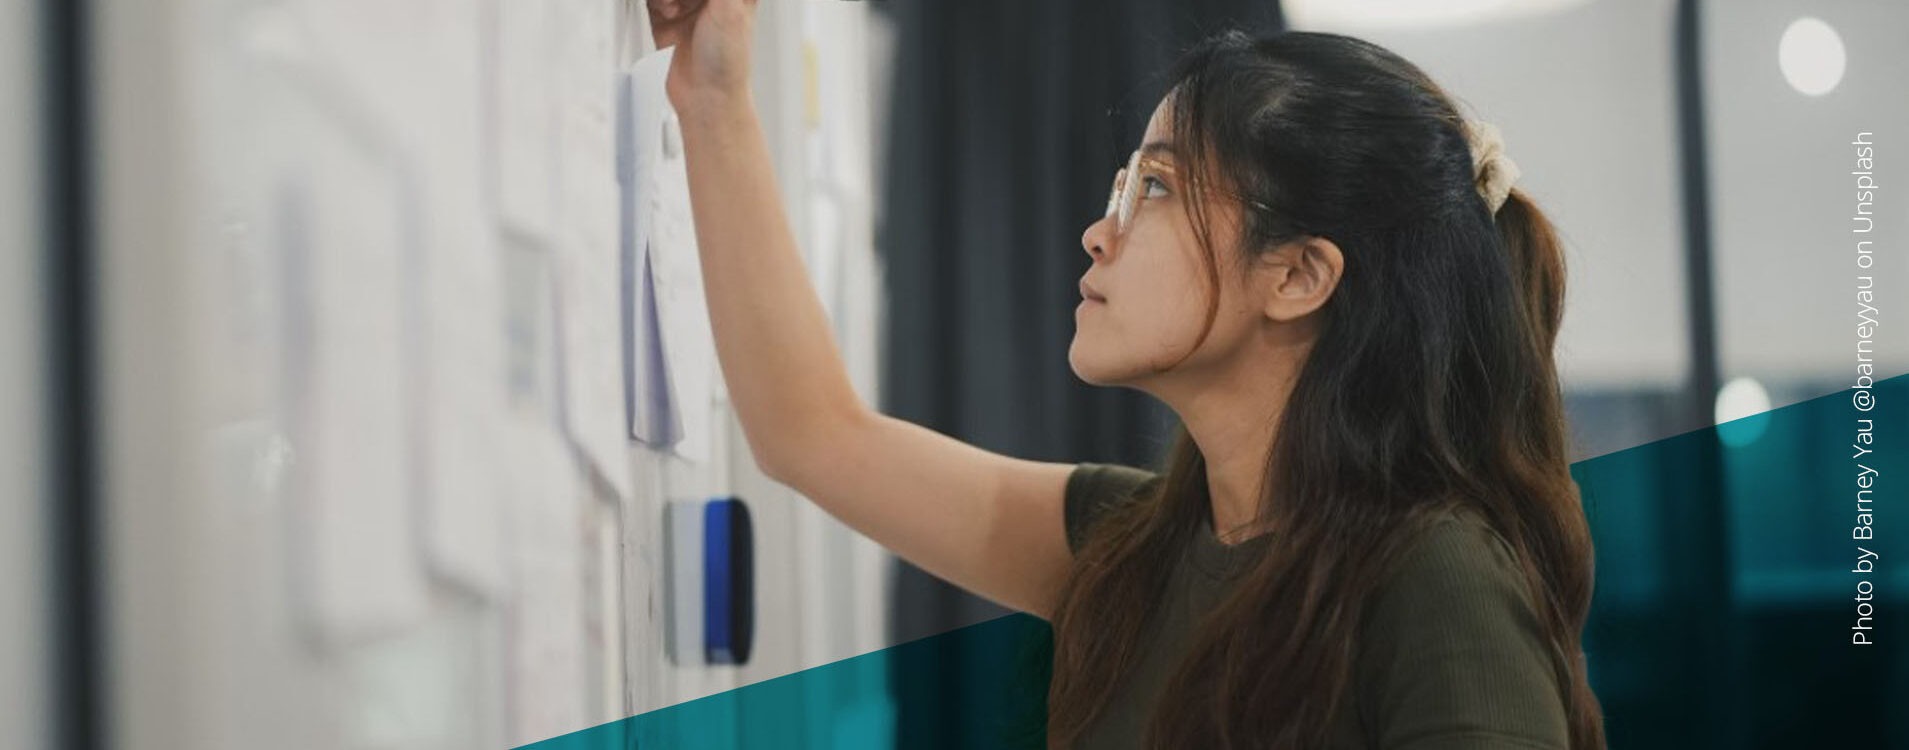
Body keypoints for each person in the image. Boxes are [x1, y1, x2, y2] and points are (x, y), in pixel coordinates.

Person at [647, 1, 1606, 747]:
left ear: (1297, 274)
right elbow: (812, 436)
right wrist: (713, 97)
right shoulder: (1129, 548)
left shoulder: (1437, 572)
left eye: (1154, 188)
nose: (1099, 233)